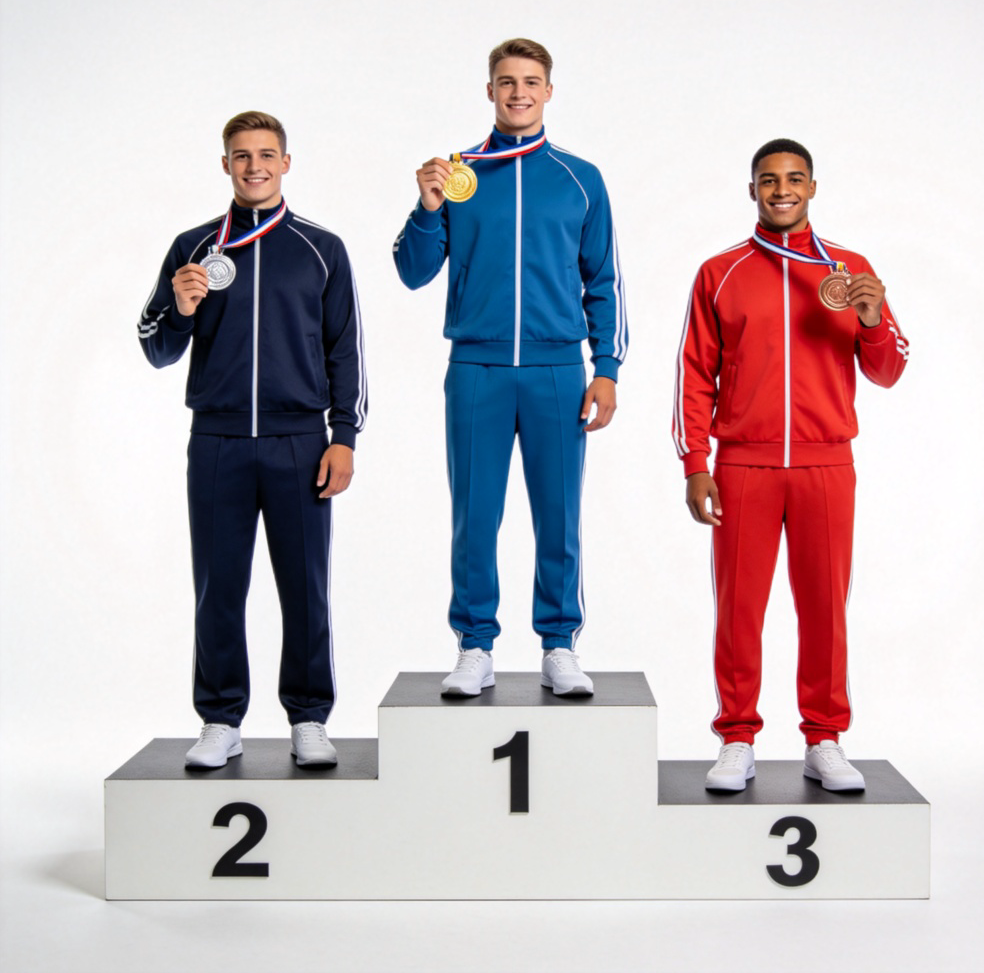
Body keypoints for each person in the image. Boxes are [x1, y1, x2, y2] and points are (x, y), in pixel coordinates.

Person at [393, 38, 627, 697]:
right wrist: (429, 207)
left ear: (549, 91)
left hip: (557, 370)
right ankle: (474, 645)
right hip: (478, 368)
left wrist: (605, 366)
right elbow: (412, 272)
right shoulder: (457, 174)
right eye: (505, 82)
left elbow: (603, 279)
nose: (518, 92)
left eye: (530, 81)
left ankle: (559, 644)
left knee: (560, 515)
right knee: (475, 514)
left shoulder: (580, 179)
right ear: (490, 91)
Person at [673, 138, 908, 791]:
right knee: (739, 607)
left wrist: (870, 319)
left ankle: (824, 738)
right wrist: (697, 463)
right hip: (742, 467)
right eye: (769, 179)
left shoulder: (852, 269)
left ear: (812, 188)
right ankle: (738, 736)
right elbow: (694, 374)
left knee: (825, 607)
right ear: (752, 190)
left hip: (826, 465)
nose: (782, 189)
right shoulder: (719, 272)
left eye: (794, 179)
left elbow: (888, 370)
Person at [138, 111, 367, 768]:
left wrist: (343, 435)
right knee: (217, 588)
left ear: (286, 163)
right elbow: (155, 347)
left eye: (266, 154)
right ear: (226, 165)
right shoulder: (193, 247)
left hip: (301, 444)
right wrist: (180, 311)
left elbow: (345, 350)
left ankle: (309, 717)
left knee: (306, 588)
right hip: (217, 443)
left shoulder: (323, 249)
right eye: (241, 155)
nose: (255, 165)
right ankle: (219, 717)